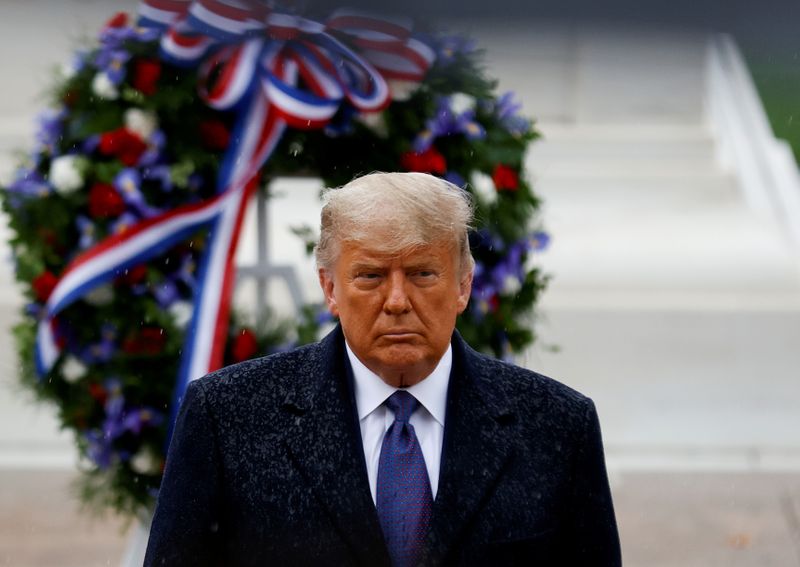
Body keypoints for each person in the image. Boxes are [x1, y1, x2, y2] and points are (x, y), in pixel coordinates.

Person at [144, 172, 621, 566]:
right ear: (330, 288)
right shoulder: (227, 417)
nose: (396, 301)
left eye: (422, 274)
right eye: (370, 276)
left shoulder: (557, 425)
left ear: (463, 284)